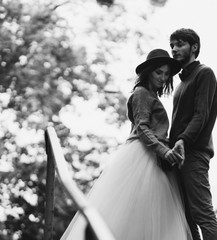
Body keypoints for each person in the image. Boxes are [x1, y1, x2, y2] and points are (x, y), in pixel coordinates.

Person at [60, 49, 192, 240]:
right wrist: (164, 151)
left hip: (155, 156)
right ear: (148, 72)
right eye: (158, 72)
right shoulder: (141, 93)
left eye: (166, 74)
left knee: (151, 216)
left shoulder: (151, 95)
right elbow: (142, 128)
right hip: (144, 154)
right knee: (134, 214)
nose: (163, 78)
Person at [169, 28, 217, 240]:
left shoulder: (204, 73)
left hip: (194, 153)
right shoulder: (181, 83)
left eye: (179, 44)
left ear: (194, 47)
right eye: (172, 45)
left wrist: (182, 140)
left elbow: (201, 115)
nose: (174, 49)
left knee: (202, 213)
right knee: (187, 217)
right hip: (178, 155)